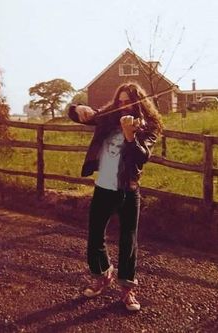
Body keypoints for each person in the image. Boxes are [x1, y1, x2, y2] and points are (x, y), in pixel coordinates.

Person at [68, 83, 163, 311]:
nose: (123, 106)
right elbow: (81, 116)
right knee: (94, 236)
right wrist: (77, 108)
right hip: (103, 187)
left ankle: (127, 289)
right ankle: (103, 275)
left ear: (138, 102)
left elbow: (142, 157)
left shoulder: (148, 126)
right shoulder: (108, 118)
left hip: (128, 190)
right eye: (119, 101)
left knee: (128, 242)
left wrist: (130, 136)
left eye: (128, 101)